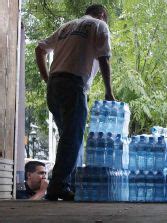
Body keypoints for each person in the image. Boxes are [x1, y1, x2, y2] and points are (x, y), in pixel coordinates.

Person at [35, 4, 115, 201]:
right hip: (73, 85)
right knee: (72, 137)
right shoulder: (99, 25)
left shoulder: (67, 27)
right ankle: (58, 186)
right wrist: (109, 92)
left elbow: (39, 49)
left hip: (55, 86)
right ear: (102, 15)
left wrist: (48, 80)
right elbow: (104, 60)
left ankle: (67, 184)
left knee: (68, 138)